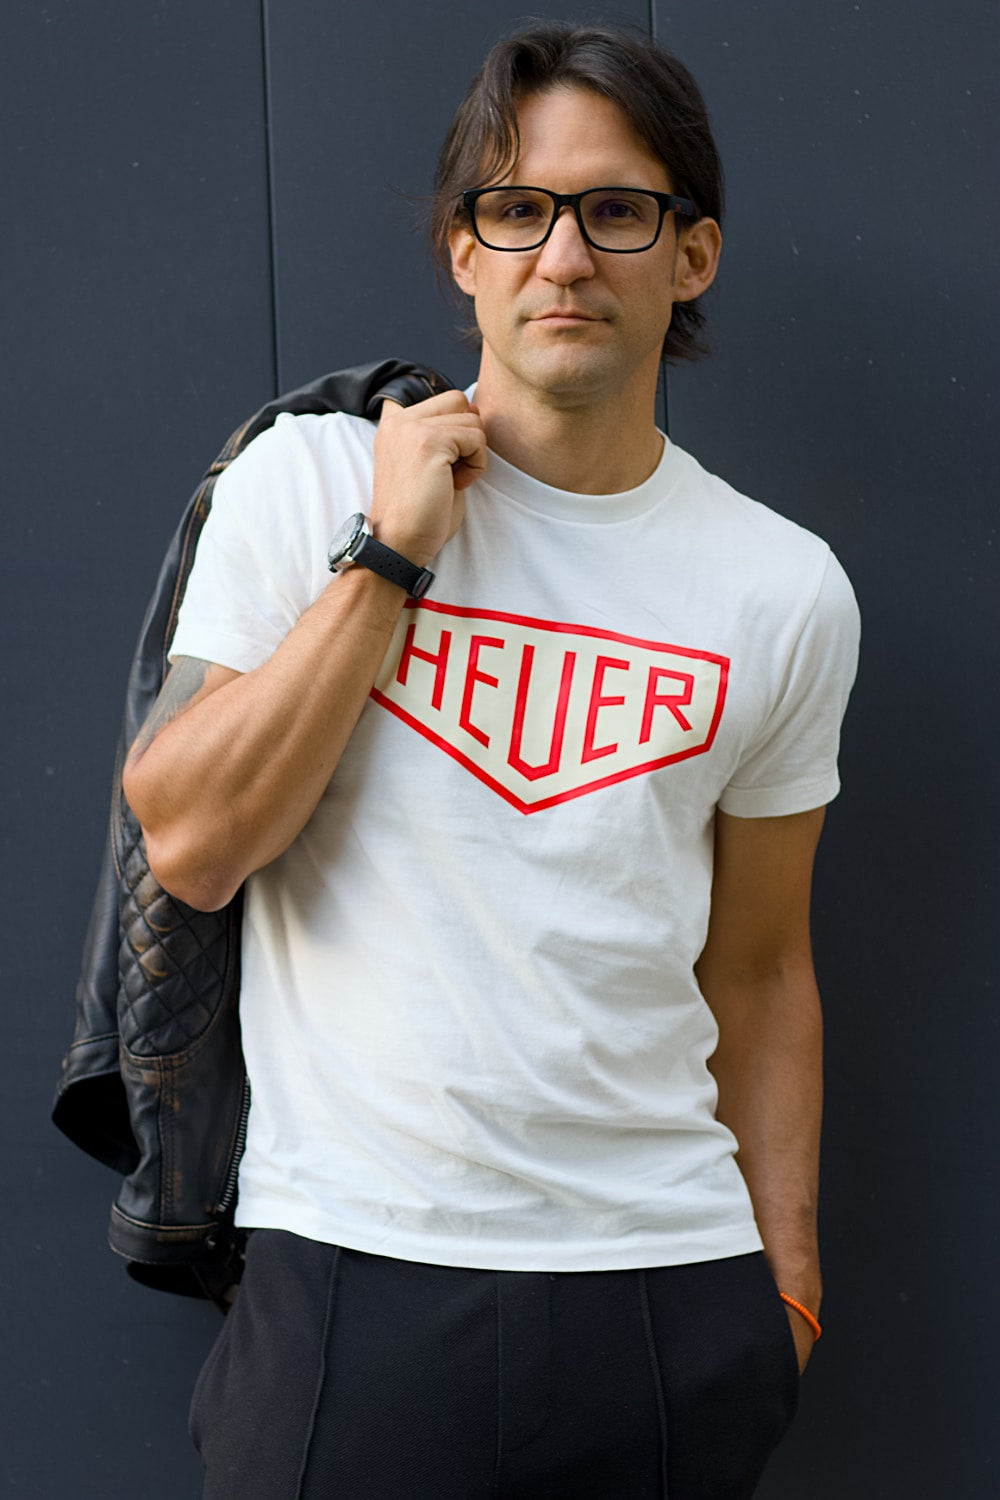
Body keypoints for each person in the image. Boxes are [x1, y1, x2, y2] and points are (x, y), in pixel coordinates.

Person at [123, 21, 859, 1499]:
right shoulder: (310, 483)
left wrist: (783, 1288)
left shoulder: (782, 589)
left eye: (616, 212)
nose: (563, 257)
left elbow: (764, 967)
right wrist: (390, 554)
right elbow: (192, 840)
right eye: (515, 210)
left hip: (666, 1289)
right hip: (351, 1277)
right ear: (464, 252)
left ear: (690, 255)